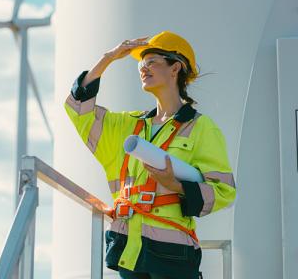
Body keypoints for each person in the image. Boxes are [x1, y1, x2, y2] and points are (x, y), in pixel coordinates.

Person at [64, 31, 236, 279]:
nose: (143, 68)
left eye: (152, 61)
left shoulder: (201, 127)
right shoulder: (126, 126)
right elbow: (78, 108)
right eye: (140, 64)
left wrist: (175, 185)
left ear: (175, 68)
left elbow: (224, 191)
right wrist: (108, 58)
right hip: (128, 250)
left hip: (172, 254)